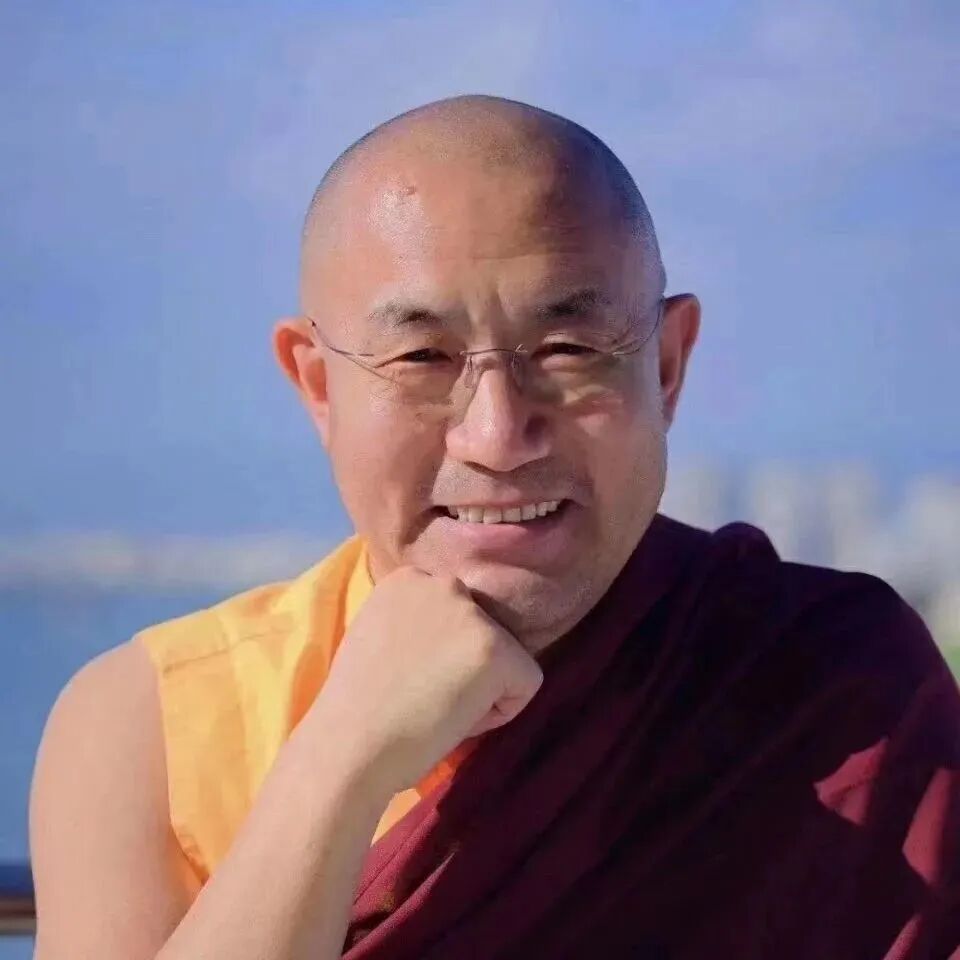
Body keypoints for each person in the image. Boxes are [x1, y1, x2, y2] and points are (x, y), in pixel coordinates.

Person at [28, 95, 960, 959]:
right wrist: (342, 759)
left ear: (667, 368)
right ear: (318, 385)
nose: (498, 436)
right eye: (421, 357)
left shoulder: (835, 679)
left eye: (568, 349)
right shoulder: (153, 729)